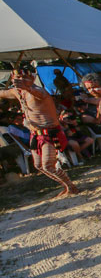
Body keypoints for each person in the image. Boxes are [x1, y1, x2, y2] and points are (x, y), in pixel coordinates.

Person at [0, 66, 79, 197]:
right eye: (18, 78)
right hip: (35, 135)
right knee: (38, 166)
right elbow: (3, 93)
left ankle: (71, 186)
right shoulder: (17, 92)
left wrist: (27, 88)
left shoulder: (39, 91)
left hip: (50, 133)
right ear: (13, 79)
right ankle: (66, 185)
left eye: (25, 77)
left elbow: (36, 93)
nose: (21, 80)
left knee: (48, 165)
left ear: (33, 78)